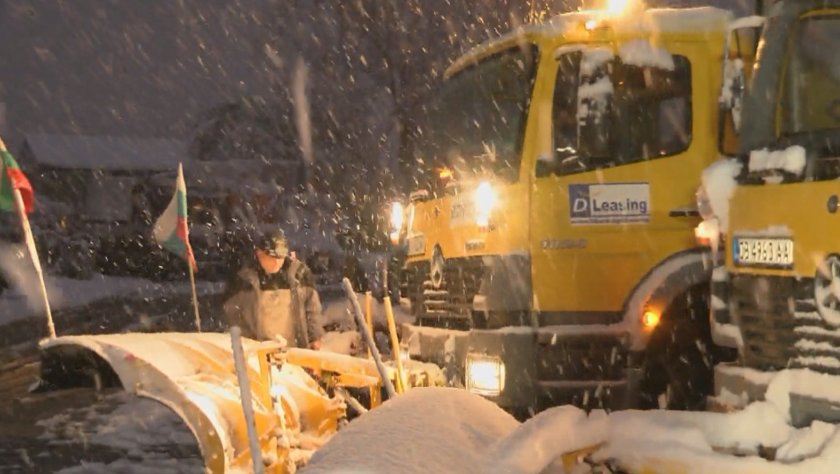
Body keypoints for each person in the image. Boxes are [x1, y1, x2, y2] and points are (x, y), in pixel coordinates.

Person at [222, 229, 324, 349]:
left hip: (294, 349)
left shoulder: (300, 275)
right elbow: (233, 316)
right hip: (257, 351)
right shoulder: (244, 280)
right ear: (259, 254)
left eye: (280, 258)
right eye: (271, 258)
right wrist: (243, 342)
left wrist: (315, 337)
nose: (276, 263)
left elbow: (312, 310)